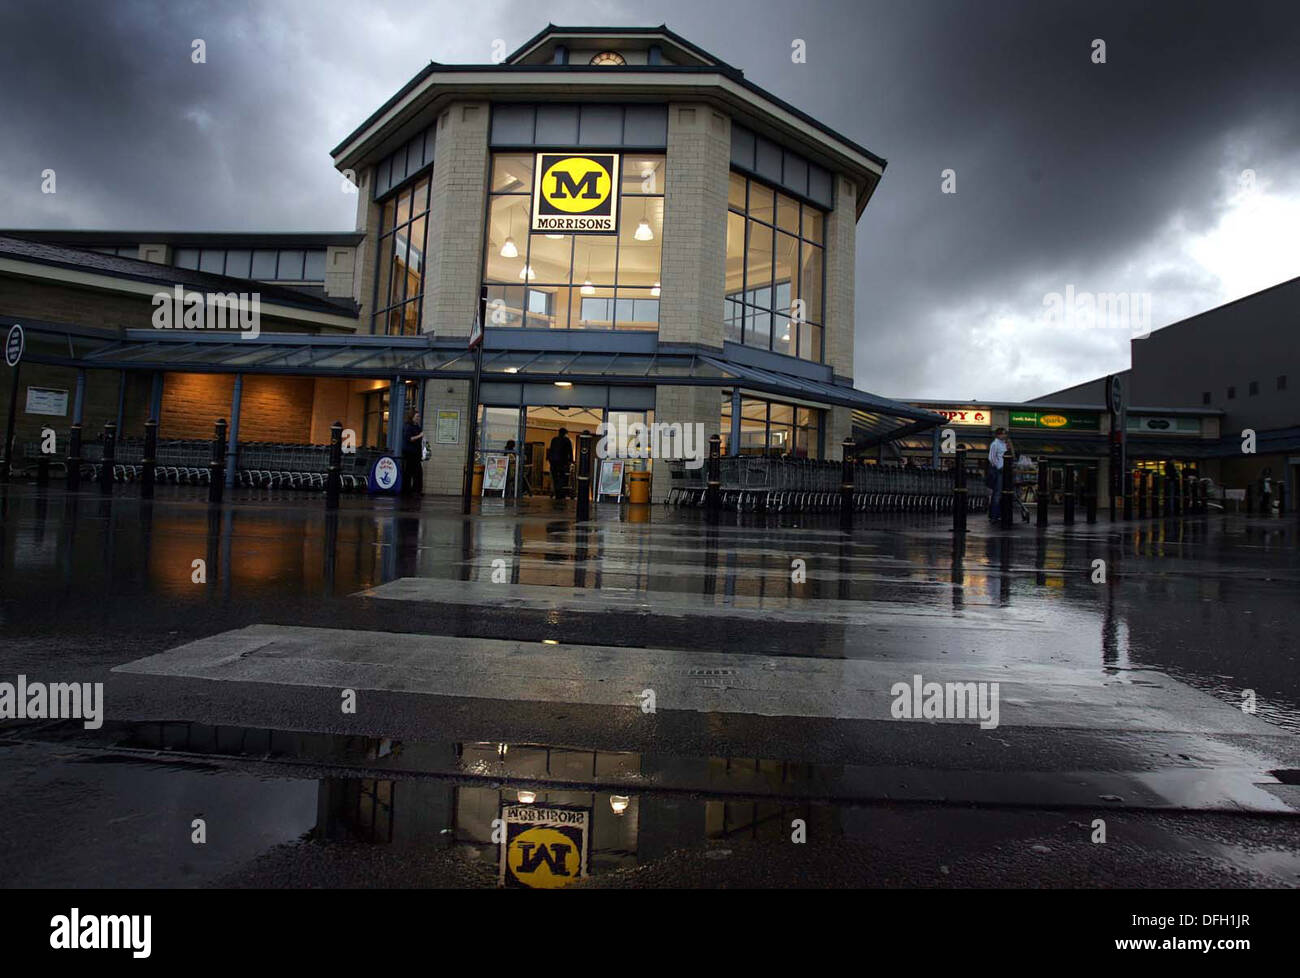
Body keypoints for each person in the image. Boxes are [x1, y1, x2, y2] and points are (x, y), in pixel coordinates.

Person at [987, 427, 1009, 521]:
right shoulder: (995, 444)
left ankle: (998, 513)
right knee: (997, 493)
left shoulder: (1004, 444)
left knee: (1002, 493)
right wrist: (999, 466)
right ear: (999, 435)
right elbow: (991, 458)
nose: (1005, 435)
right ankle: (994, 515)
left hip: (1005, 470)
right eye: (1004, 434)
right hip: (999, 470)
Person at [402, 411, 424, 496]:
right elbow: (410, 439)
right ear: (412, 417)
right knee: (410, 472)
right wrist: (419, 436)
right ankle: (408, 490)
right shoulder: (408, 427)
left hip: (416, 453)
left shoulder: (417, 427)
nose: (418, 418)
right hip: (410, 453)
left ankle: (416, 490)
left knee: (417, 472)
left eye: (419, 417)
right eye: (417, 416)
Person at [547, 427, 573, 500]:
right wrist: (571, 460)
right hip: (562, 462)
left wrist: (550, 460)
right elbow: (570, 451)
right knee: (562, 477)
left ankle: (557, 493)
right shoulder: (567, 440)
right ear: (565, 433)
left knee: (555, 478)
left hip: (553, 462)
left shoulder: (554, 439)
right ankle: (561, 492)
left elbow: (551, 450)